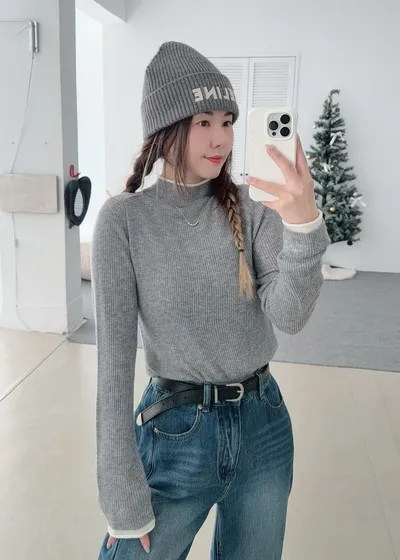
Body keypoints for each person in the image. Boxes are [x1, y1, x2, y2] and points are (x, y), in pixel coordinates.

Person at [93, 41, 330, 560]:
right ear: (167, 128)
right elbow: (112, 367)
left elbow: (290, 315)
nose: (221, 137)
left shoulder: (254, 207)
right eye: (204, 122)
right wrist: (120, 495)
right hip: (177, 433)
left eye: (227, 121)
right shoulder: (125, 220)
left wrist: (303, 225)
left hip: (264, 426)